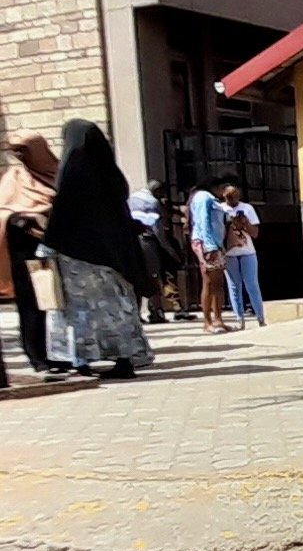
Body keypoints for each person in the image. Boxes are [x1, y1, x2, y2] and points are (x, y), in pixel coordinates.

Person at [40, 119, 154, 378]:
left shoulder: (71, 174)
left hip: (76, 259)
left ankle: (81, 360)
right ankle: (124, 360)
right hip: (114, 259)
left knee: (78, 312)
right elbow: (121, 216)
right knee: (116, 310)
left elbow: (62, 215)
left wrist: (46, 246)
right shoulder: (111, 177)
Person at [0, 130, 70, 379]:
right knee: (32, 306)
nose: (19, 156)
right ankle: (38, 357)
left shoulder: (58, 175)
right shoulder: (14, 179)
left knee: (61, 305)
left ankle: (64, 355)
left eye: (23, 150)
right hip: (25, 256)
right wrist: (23, 219)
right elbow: (3, 212)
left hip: (60, 251)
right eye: (15, 151)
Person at [128, 180, 181, 324]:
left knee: (134, 278)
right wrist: (170, 250)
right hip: (147, 242)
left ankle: (135, 313)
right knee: (153, 277)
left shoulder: (131, 199)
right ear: (157, 191)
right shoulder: (152, 203)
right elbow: (157, 230)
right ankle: (156, 312)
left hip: (131, 242)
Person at [188, 174, 232, 334]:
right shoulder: (203, 197)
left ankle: (218, 318)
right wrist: (210, 245)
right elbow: (203, 221)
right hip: (207, 244)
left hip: (216, 244)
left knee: (218, 282)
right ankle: (207, 322)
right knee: (209, 281)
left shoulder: (214, 200)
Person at [219, 177, 265, 329]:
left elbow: (255, 233)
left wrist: (245, 223)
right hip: (230, 252)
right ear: (224, 196)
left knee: (252, 284)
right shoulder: (220, 209)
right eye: (229, 196)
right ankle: (239, 319)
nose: (233, 199)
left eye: (235, 196)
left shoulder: (247, 208)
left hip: (247, 251)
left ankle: (260, 317)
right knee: (234, 286)